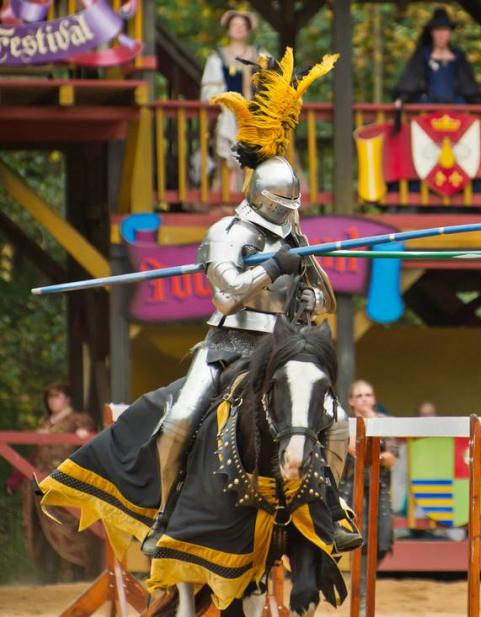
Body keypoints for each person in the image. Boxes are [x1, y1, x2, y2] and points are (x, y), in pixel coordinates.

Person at [141, 50, 361, 557]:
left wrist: (304, 280)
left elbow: (320, 303)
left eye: (293, 207)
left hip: (281, 349)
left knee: (338, 421)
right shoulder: (228, 231)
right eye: (281, 205)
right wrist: (272, 266)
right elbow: (225, 293)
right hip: (228, 342)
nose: (287, 214)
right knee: (179, 420)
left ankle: (333, 510)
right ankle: (164, 514)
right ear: (261, 197)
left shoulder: (294, 234)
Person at [19, 384, 100, 582]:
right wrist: (16, 479)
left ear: (67, 399)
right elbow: (35, 455)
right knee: (45, 529)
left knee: (72, 528)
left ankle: (78, 574)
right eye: (50, 397)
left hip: (67, 483)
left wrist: (86, 433)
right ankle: (49, 574)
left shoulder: (79, 420)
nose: (52, 401)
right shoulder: (45, 423)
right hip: (41, 483)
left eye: (57, 396)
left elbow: (93, 442)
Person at [342, 380, 400, 616]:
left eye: (368, 394)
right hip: (348, 487)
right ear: (351, 401)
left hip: (379, 487)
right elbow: (348, 451)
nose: (364, 399)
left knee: (383, 542)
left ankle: (364, 582)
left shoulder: (388, 423)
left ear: (374, 398)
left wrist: (369, 452)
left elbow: (392, 457)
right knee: (355, 540)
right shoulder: (344, 425)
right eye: (359, 395)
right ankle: (362, 593)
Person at [200, 10, 261, 193]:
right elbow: (210, 88)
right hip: (228, 112)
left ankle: (256, 194)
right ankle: (228, 193)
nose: (239, 29)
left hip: (255, 113)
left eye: (242, 26)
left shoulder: (259, 54)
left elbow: (272, 81)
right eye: (235, 25)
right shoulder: (218, 56)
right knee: (229, 150)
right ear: (228, 29)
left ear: (248, 30)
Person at [392, 8, 481, 106]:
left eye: (444, 30)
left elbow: (468, 85)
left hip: (456, 108)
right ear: (432, 33)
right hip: (429, 107)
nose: (441, 34)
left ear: (449, 32)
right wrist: (402, 98)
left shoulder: (458, 56)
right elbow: (411, 80)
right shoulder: (423, 55)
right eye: (438, 30)